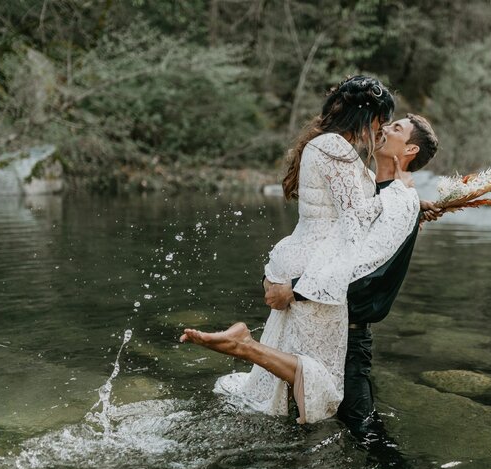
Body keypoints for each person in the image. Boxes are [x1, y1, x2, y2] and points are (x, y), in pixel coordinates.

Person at [181, 75, 424, 424]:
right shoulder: (338, 149)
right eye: (381, 120)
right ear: (366, 117)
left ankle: (250, 353)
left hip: (300, 257)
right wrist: (402, 194)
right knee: (322, 378)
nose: (382, 128)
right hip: (315, 268)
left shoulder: (325, 144)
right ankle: (244, 345)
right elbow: (354, 219)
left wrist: (416, 203)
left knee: (294, 364)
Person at [264, 114, 440, 439]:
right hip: (317, 323)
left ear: (411, 148)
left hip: (349, 339)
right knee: (300, 425)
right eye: (387, 123)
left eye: (396, 128)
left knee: (365, 434)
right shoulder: (368, 187)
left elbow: (365, 274)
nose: (384, 128)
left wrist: (293, 291)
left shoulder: (401, 201)